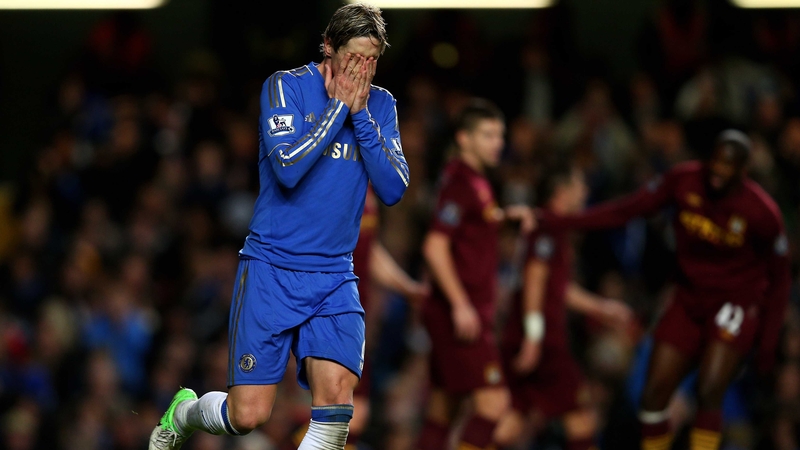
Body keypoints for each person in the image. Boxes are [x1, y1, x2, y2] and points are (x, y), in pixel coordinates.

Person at [148, 4, 409, 450]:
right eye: (354, 59)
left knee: (337, 402)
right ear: (328, 47)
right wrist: (337, 111)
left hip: (334, 275)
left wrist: (361, 117)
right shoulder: (285, 87)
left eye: (372, 60)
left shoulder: (381, 105)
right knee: (248, 415)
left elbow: (394, 187)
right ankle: (186, 412)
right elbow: (287, 167)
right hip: (272, 269)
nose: (363, 71)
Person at [545, 130, 791, 450]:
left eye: (727, 167)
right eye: (714, 163)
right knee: (652, 397)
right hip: (687, 299)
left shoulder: (762, 213)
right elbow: (628, 209)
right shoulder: (683, 181)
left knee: (709, 389)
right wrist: (568, 222)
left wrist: (768, 344)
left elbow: (781, 280)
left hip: (734, 303)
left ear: (743, 171)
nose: (717, 172)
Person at [416, 99, 534, 450]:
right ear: (463, 138)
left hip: (455, 312)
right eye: (487, 135)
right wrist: (461, 305)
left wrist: (503, 217)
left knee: (443, 411)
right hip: (461, 316)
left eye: (500, 135)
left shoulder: (475, 182)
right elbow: (434, 248)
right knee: (494, 406)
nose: (497, 142)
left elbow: (470, 227)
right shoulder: (460, 183)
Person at [493, 162, 633, 450]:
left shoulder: (544, 225)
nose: (585, 191)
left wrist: (601, 308)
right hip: (543, 342)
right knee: (580, 419)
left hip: (521, 337)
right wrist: (534, 337)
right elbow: (534, 278)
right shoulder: (550, 226)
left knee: (510, 424)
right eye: (579, 185)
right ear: (561, 191)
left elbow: (556, 287)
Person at [291, 186, 427, 449]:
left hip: (355, 320)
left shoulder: (368, 186)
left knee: (354, 413)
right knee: (336, 411)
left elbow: (368, 248)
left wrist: (407, 287)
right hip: (329, 314)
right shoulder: (329, 180)